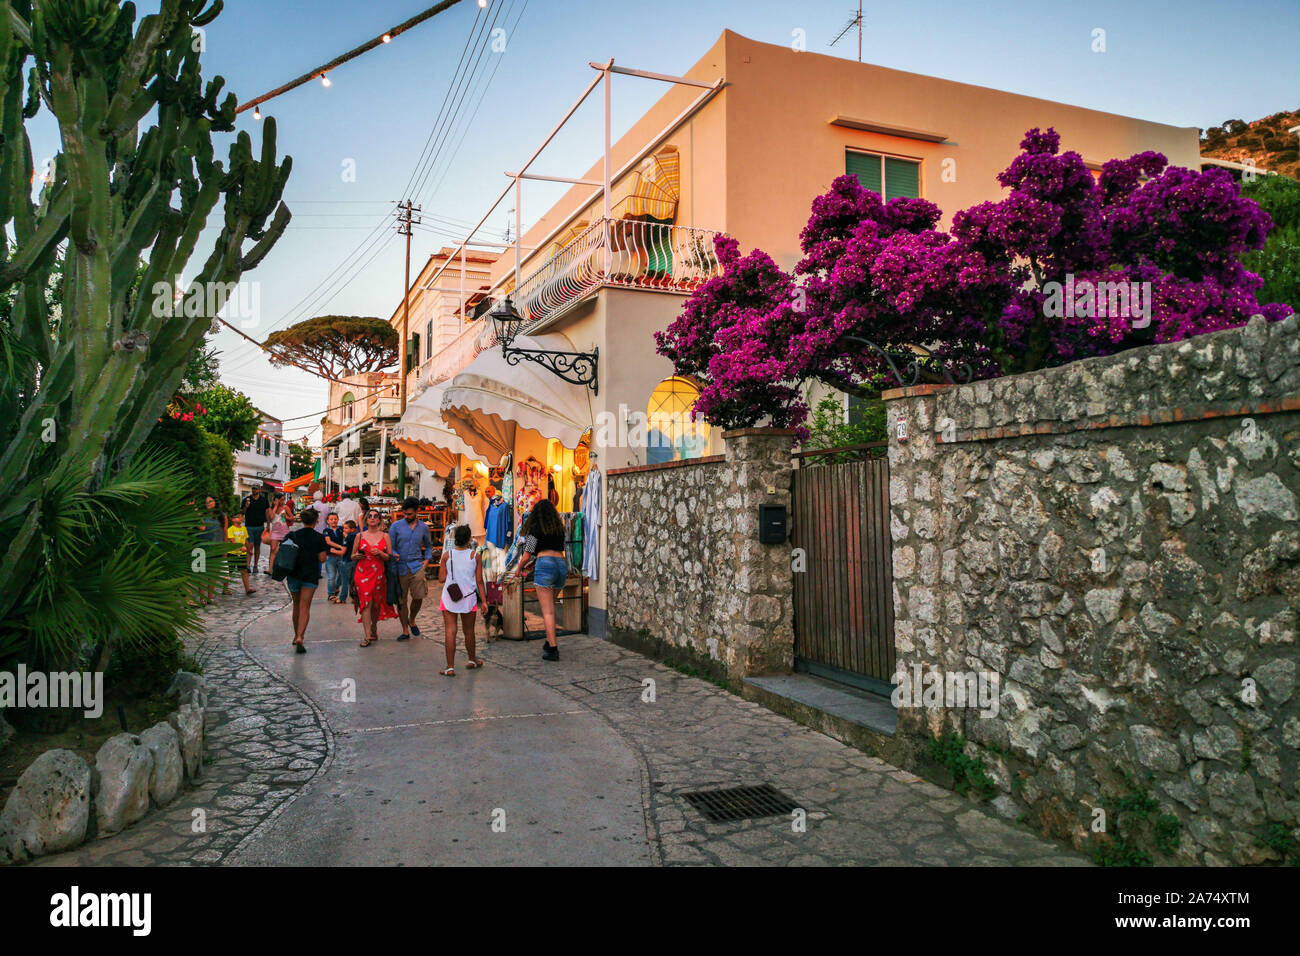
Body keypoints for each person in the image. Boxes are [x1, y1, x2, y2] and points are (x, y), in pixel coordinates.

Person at [518, 498, 567, 661]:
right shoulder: (559, 528)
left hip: (545, 564)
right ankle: (548, 641)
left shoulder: (534, 529)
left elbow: (527, 555)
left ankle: (553, 649)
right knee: (551, 608)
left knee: (547, 611)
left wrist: (518, 568)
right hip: (561, 564)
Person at [436, 524, 487, 676]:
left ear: (455, 538)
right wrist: (484, 601)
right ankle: (472, 660)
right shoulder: (475, 556)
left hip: (449, 597)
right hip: (468, 597)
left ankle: (450, 667)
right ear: (469, 539)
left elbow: (441, 579)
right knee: (469, 631)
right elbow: (479, 581)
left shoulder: (447, 555)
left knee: (450, 632)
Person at [285, 507, 329, 653]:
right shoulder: (319, 537)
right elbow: (322, 559)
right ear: (316, 521)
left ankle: (295, 634)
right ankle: (300, 636)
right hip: (310, 575)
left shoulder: (293, 535)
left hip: (293, 574)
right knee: (305, 606)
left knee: (296, 605)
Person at [388, 496, 432, 642]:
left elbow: (429, 546)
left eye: (410, 514)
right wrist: (394, 553)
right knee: (401, 600)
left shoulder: (423, 527)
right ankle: (405, 630)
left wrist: (426, 561)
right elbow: (390, 546)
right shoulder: (395, 526)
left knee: (419, 596)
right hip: (400, 567)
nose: (406, 516)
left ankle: (412, 619)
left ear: (417, 512)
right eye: (405, 514)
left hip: (417, 566)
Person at [354, 510, 397, 647]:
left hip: (378, 573)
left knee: (376, 603)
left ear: (379, 520)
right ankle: (367, 636)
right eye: (370, 516)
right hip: (362, 572)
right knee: (366, 603)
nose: (372, 518)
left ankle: (374, 626)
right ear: (366, 520)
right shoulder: (359, 536)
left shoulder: (385, 536)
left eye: (375, 516)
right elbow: (352, 555)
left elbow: (389, 557)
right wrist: (356, 556)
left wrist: (380, 553)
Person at [198, 495, 227, 604]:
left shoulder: (222, 516)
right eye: (206, 502)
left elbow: (225, 533)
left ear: (215, 502)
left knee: (213, 575)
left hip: (216, 548)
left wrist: (225, 549)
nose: (208, 504)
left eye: (210, 501)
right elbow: (202, 528)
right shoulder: (203, 516)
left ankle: (210, 597)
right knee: (202, 574)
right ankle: (202, 598)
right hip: (202, 547)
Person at [242, 485, 271, 574]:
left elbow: (267, 513)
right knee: (249, 547)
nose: (254, 490)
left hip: (260, 526)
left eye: (255, 489)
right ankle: (247, 566)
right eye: (253, 489)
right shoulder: (246, 499)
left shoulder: (264, 500)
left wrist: (268, 524)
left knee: (257, 546)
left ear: (259, 490)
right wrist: (246, 506)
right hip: (249, 526)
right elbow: (242, 512)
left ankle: (255, 565)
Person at [225, 512, 256, 595]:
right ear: (233, 519)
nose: (241, 518)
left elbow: (245, 540)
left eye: (242, 517)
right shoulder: (230, 529)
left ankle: (247, 589)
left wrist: (249, 549)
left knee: (244, 571)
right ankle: (225, 589)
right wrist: (240, 547)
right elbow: (232, 541)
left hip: (242, 554)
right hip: (232, 553)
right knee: (229, 571)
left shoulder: (243, 529)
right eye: (239, 517)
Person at [323, 513, 349, 604]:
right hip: (330, 556)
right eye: (331, 519)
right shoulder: (326, 530)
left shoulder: (341, 529)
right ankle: (331, 594)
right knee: (331, 576)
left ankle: (336, 587)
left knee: (342, 575)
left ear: (338, 520)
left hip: (341, 555)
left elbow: (346, 536)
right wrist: (340, 546)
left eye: (335, 519)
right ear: (328, 521)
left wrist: (346, 539)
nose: (333, 521)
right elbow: (328, 541)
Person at [267, 494, 290, 570]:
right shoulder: (270, 509)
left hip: (284, 530)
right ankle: (270, 569)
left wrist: (286, 517)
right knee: (273, 548)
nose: (282, 501)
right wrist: (276, 506)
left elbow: (292, 517)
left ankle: (284, 567)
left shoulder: (285, 507)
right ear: (276, 500)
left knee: (285, 548)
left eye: (283, 499)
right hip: (275, 531)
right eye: (281, 499)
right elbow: (271, 517)